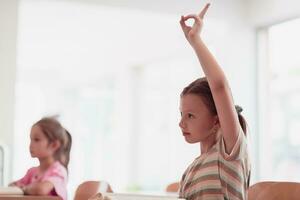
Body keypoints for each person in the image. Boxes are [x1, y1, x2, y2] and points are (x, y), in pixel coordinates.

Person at [178, 3, 251, 200]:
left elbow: (219, 87)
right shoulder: (191, 170)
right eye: (182, 114)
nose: (181, 123)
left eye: (190, 116)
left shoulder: (229, 154)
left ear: (217, 120)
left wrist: (195, 40)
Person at [9, 117, 72, 200]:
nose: (31, 145)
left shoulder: (58, 171)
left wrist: (24, 188)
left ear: (54, 145)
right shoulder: (32, 172)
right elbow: (12, 186)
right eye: (30, 139)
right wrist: (22, 188)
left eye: (37, 140)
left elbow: (41, 189)